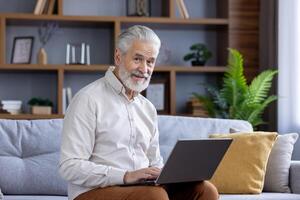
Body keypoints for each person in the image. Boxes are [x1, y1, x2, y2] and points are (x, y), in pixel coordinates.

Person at [59, 25, 219, 200]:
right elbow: (70, 166)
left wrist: (165, 174)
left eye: (150, 61)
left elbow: (154, 161)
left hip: (143, 188)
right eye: (137, 59)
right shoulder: (88, 99)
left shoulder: (147, 108)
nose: (144, 69)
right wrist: (126, 175)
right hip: (92, 191)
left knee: (205, 190)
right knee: (154, 196)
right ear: (118, 56)